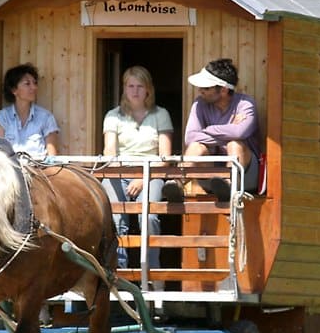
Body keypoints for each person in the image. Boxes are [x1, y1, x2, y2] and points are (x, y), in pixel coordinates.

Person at [101, 66, 173, 282]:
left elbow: (165, 156)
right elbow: (109, 152)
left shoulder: (161, 114)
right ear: (124, 88)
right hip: (118, 172)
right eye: (130, 86)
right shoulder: (113, 116)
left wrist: (143, 178)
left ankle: (152, 274)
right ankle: (117, 273)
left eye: (139, 86)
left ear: (148, 89)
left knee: (149, 217)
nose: (135, 91)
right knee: (114, 218)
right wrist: (123, 173)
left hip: (151, 173)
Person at [162, 58, 260, 202]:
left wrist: (208, 130)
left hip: (245, 175)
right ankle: (177, 184)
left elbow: (240, 133)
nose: (200, 90)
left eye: (206, 88)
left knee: (235, 144)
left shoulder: (245, 104)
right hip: (211, 176)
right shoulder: (199, 103)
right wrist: (229, 130)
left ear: (224, 90)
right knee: (196, 146)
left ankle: (229, 184)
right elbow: (190, 137)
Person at [0, 63, 60, 159]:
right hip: (11, 172)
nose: (34, 87)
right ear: (14, 90)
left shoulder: (46, 117)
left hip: (39, 172)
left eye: (35, 83)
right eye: (27, 83)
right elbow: (0, 155)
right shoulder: (2, 117)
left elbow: (52, 157)